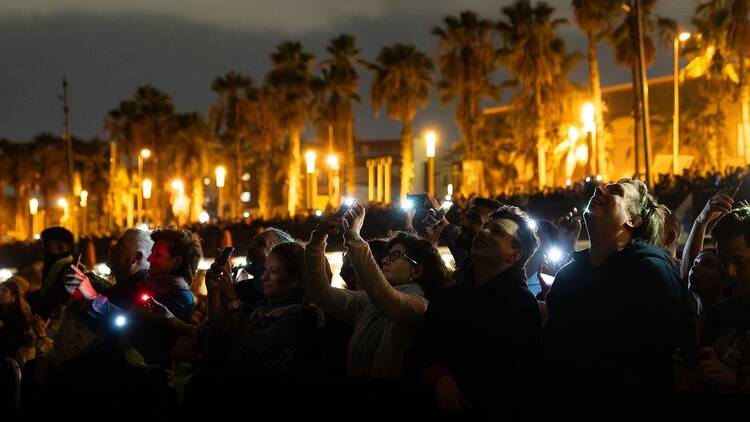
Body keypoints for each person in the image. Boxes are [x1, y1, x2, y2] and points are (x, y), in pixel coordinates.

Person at [543, 178, 695, 394]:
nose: (599, 189)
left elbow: (670, 355)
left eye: (615, 191)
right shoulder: (568, 276)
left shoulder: (651, 273)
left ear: (633, 219)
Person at [410, 206, 541, 414]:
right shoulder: (449, 297)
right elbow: (419, 351)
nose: (483, 232)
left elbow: (511, 377)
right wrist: (438, 376)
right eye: (486, 227)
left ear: (515, 255)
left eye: (497, 231)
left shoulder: (520, 306)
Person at [305, 204, 450, 378]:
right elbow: (322, 294)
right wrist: (318, 238)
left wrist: (353, 236)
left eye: (395, 255)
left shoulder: (419, 305)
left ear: (417, 271)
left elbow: (384, 296)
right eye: (387, 255)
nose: (385, 260)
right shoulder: (368, 301)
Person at [696, 206, 750, 393]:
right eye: (724, 263)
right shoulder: (717, 315)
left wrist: (734, 380)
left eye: (739, 262)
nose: (731, 272)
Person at [440, 197, 501, 276]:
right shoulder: (467, 259)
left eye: (475, 220)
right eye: (465, 217)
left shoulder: (488, 277)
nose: (463, 223)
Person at [234, 227, 294, 304]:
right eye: (253, 242)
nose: (251, 246)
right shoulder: (242, 288)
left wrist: (233, 300)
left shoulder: (284, 301)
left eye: (260, 243)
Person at [27, 226, 75, 319]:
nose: (43, 249)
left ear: (62, 246)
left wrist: (31, 300)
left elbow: (56, 297)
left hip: (58, 325)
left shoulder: (70, 267)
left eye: (46, 245)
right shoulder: (56, 263)